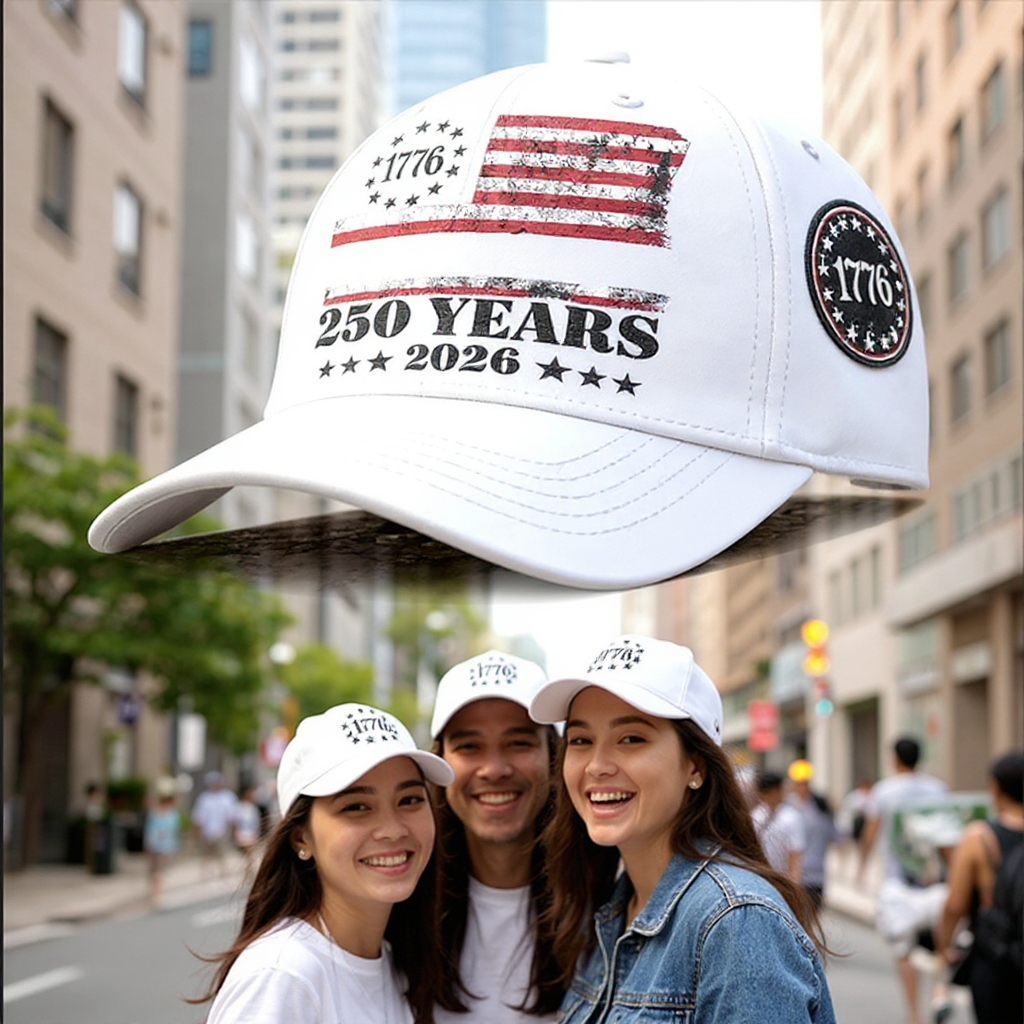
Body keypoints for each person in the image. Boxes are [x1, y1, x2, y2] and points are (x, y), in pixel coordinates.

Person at [529, 635, 835, 1024]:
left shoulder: (737, 922)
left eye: (630, 738)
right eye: (581, 740)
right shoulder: (610, 910)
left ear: (696, 766)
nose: (596, 765)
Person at [200, 703, 454, 1024]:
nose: (392, 830)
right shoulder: (283, 976)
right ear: (300, 839)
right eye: (357, 806)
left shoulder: (391, 961)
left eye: (410, 800)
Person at [429, 650, 563, 1022]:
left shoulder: (607, 900)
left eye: (518, 743)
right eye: (469, 746)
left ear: (553, 756)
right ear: (440, 763)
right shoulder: (402, 905)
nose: (494, 769)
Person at [860, 737, 949, 1024]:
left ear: (895, 759)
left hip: (897, 882)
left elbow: (871, 832)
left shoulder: (884, 792)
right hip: (933, 879)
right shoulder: (938, 789)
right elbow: (948, 835)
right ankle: (939, 991)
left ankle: (914, 1015)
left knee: (903, 949)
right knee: (942, 943)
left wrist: (861, 866)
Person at [934, 752, 1023, 1024]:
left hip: (996, 957)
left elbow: (955, 905)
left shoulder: (979, 838)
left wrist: (943, 948)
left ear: (995, 788)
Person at [786, 760, 841, 908]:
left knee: (811, 921)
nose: (803, 787)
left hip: (816, 875)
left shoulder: (820, 807)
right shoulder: (786, 807)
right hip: (792, 876)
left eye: (805, 783)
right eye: (799, 783)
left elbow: (835, 836)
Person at [752, 769, 806, 882]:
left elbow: (795, 856)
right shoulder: (756, 816)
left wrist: (793, 884)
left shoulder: (791, 817)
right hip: (761, 877)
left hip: (783, 880)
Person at [191, 771, 240, 878]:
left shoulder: (227, 797)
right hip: (207, 832)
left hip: (222, 831)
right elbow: (198, 818)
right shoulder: (204, 798)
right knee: (206, 855)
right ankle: (206, 874)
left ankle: (223, 873)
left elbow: (232, 817)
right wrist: (195, 834)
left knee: (221, 854)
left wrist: (234, 832)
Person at [144, 777, 182, 906]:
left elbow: (149, 831)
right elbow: (174, 831)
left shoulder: (154, 813)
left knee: (155, 872)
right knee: (159, 872)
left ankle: (154, 894)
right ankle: (157, 896)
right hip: (165, 847)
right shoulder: (172, 814)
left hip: (155, 846)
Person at [234, 785, 262, 871]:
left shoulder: (252, 807)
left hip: (252, 832)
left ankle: (249, 867)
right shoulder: (240, 807)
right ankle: (250, 867)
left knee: (250, 853)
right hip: (243, 833)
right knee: (249, 853)